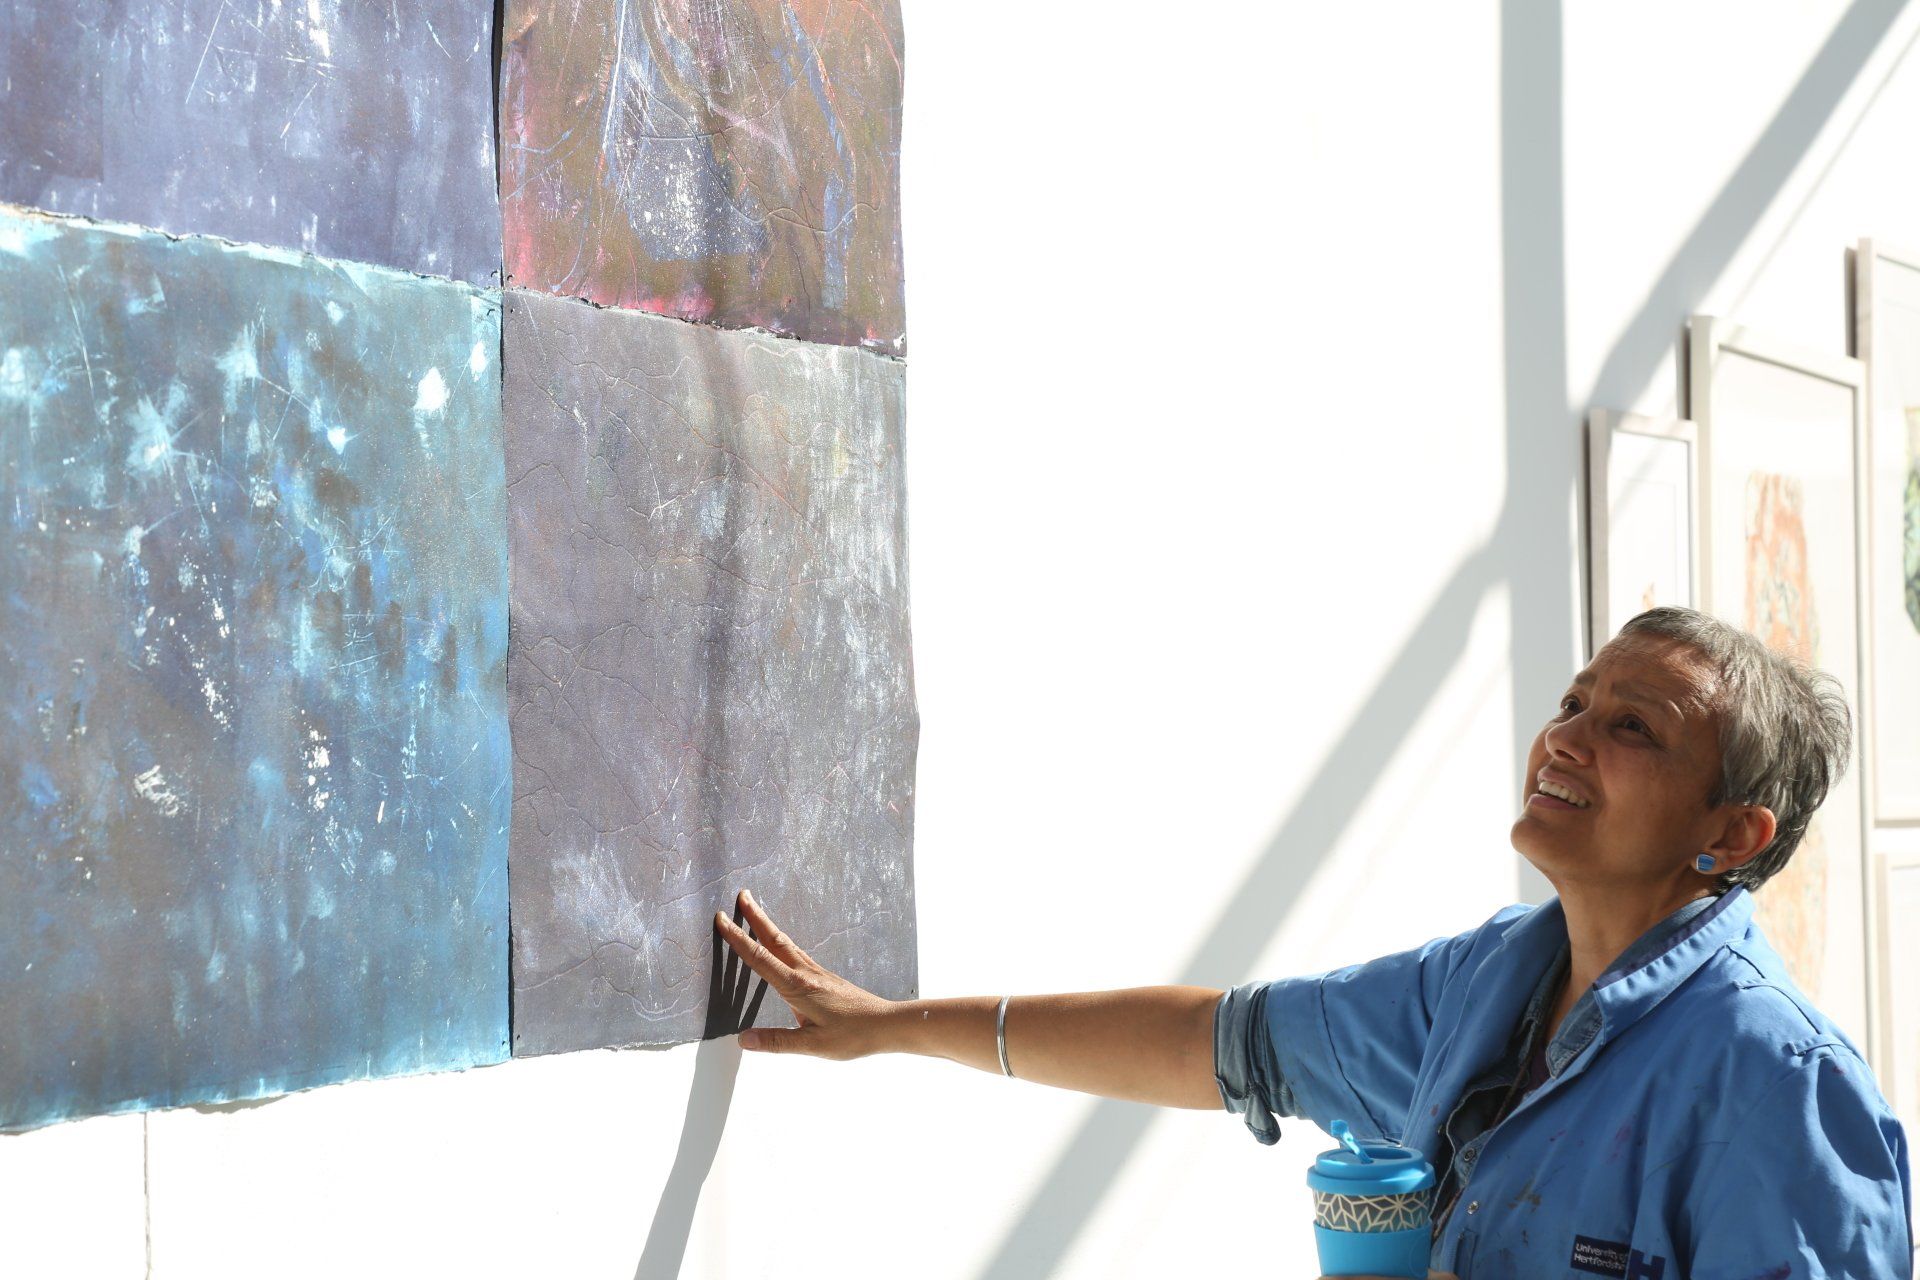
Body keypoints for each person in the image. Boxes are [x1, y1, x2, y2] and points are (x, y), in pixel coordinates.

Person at [715, 607, 1914, 1279]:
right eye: (1573, 700)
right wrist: (891, 1026)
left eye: (1633, 726)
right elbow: (1214, 1042)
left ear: (1729, 832)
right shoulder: (1489, 981)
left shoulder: (1779, 1083)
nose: (1569, 735)